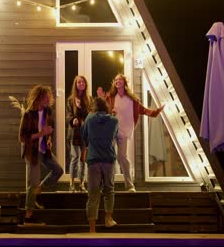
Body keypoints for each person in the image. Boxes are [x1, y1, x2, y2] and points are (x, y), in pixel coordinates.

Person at [106, 73, 165, 192]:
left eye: (120, 80)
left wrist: (156, 112)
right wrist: (109, 113)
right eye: (116, 80)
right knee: (109, 157)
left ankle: (129, 185)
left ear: (124, 82)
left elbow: (144, 110)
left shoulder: (132, 100)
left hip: (124, 132)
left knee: (122, 157)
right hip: (111, 131)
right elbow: (103, 111)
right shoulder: (110, 98)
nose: (117, 81)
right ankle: (108, 185)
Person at [19, 85, 64, 226]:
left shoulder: (48, 111)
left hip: (44, 149)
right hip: (32, 152)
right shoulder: (28, 114)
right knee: (32, 183)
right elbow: (22, 137)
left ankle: (38, 191)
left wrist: (48, 139)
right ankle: (28, 217)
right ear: (38, 98)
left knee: (58, 170)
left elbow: (49, 129)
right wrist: (41, 134)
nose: (47, 100)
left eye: (48, 98)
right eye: (45, 98)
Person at [82, 97, 119, 233]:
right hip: (108, 159)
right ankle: (108, 219)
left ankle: (92, 229)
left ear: (94, 107)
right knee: (109, 190)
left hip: (93, 159)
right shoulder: (114, 120)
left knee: (93, 194)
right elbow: (114, 136)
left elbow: (84, 136)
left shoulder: (89, 119)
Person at [66, 75, 92, 192]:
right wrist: (73, 120)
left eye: (83, 82)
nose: (81, 84)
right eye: (79, 82)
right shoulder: (71, 99)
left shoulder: (89, 99)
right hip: (74, 133)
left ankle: (82, 184)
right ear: (75, 85)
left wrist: (80, 107)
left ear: (85, 85)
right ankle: (71, 184)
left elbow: (89, 115)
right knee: (75, 157)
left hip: (85, 133)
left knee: (83, 159)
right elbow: (68, 116)